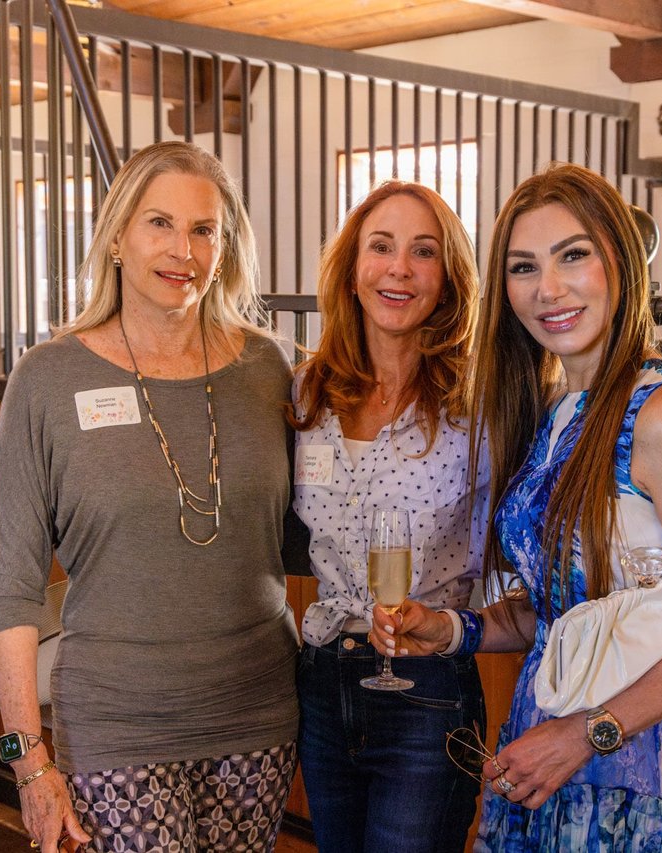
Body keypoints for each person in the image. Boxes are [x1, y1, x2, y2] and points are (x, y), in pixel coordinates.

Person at [372, 163, 662, 851]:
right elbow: (565, 612)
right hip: (544, 742)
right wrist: (451, 629)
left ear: (618, 259)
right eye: (524, 267)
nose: (548, 288)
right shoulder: (558, 410)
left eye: (572, 255)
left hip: (625, 765)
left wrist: (585, 733)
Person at [0, 141, 299, 853]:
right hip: (117, 718)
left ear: (224, 247)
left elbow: (303, 527)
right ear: (119, 235)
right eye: (159, 222)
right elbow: (11, 585)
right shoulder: (47, 378)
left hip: (258, 707)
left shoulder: (267, 367)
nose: (180, 248)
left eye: (202, 229)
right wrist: (27, 760)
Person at [289, 180, 486, 852]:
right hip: (323, 680)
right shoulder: (306, 392)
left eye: (423, 251)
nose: (399, 267)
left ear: (448, 279)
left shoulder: (479, 410)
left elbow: (535, 546)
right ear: (350, 270)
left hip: (428, 689)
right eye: (381, 246)